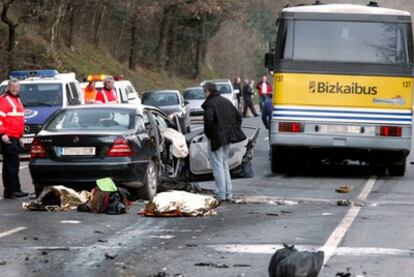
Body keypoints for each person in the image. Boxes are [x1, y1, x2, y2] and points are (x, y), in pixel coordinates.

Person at [202, 82, 246, 201]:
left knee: (217, 165)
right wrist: (232, 130)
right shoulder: (226, 101)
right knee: (224, 164)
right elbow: (238, 116)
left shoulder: (210, 104)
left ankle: (221, 193)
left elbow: (208, 122)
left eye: (204, 91)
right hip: (227, 138)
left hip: (216, 138)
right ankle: (228, 193)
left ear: (208, 91)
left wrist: (210, 135)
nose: (203, 94)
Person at [0, 79, 29, 199]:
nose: (15, 89)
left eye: (17, 87)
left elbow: (20, 119)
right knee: (11, 164)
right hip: (8, 136)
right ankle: (12, 190)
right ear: (8, 87)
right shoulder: (4, 100)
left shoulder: (17, 100)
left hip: (15, 137)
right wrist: (2, 134)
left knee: (12, 164)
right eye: (13, 87)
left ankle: (13, 189)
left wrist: (21, 136)